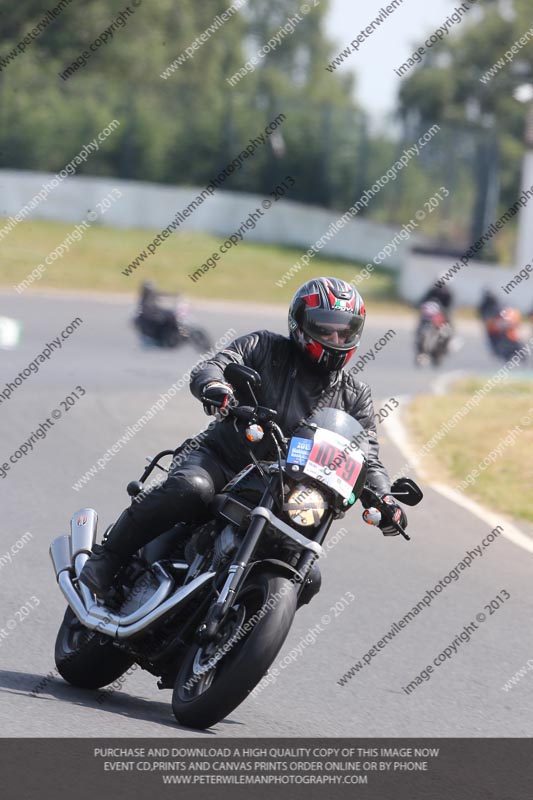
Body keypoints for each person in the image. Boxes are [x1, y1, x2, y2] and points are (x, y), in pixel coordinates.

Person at [80, 276, 408, 599]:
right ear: (300, 322)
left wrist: (384, 497)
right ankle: (107, 558)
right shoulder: (265, 347)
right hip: (224, 459)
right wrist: (215, 387)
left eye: (345, 329)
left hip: (288, 492)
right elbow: (217, 365)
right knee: (190, 489)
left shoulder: (355, 396)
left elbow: (367, 456)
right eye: (325, 327)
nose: (335, 336)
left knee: (309, 579)